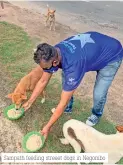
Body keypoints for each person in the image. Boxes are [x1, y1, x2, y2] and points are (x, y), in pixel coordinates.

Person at [23, 31, 123, 138]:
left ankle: (96, 114)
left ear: (55, 62)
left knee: (99, 93)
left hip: (111, 56)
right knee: (66, 79)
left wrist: (47, 127)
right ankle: (68, 108)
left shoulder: (73, 67)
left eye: (46, 68)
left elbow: (63, 102)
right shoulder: (53, 51)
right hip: (94, 48)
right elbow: (43, 81)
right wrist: (29, 101)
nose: (44, 70)